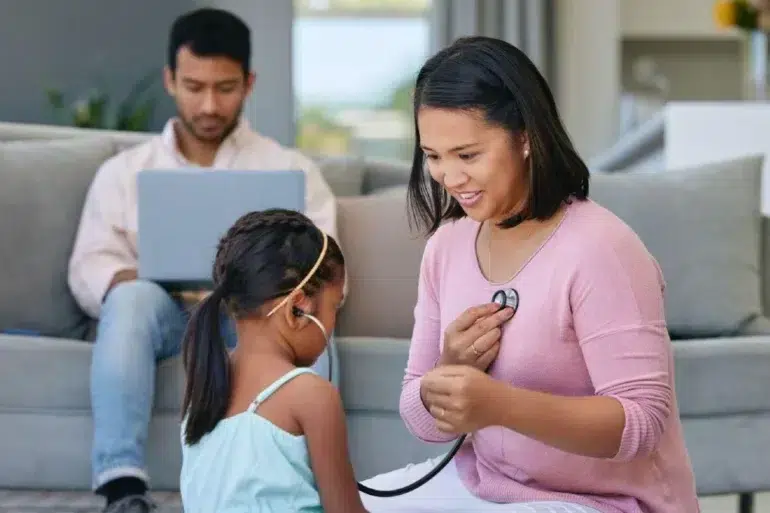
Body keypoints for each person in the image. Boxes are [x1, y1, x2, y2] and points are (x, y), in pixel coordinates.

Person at [358, 36, 700, 513]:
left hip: (605, 503)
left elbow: (640, 423)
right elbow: (420, 420)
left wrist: (498, 404)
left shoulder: (601, 249)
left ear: (524, 137)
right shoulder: (446, 247)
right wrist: (449, 367)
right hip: (487, 485)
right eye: (433, 156)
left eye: (467, 155)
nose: (449, 177)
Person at [66, 8, 338, 513]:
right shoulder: (124, 172)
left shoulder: (290, 169)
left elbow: (326, 268)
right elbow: (90, 267)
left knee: (308, 317)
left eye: (225, 88)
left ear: (249, 83)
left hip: (256, 320)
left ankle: (308, 486)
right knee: (129, 300)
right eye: (194, 87)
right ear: (170, 79)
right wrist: (144, 277)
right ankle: (122, 487)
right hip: (167, 316)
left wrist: (269, 286)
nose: (209, 105)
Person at [178, 208, 367, 513]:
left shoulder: (204, 387)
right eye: (334, 306)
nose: (334, 320)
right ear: (298, 310)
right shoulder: (312, 396)